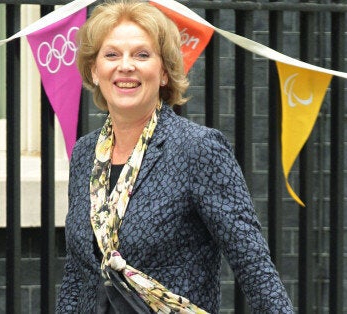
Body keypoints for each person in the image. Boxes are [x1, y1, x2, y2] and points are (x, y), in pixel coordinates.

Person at [57, 0, 293, 312]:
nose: (125, 66)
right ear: (94, 71)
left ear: (165, 73)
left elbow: (251, 262)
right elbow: (78, 272)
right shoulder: (86, 154)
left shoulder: (197, 148)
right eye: (111, 54)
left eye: (142, 55)